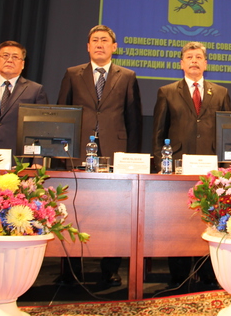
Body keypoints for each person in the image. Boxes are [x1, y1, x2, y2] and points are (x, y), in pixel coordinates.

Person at [57, 24, 143, 287]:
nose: (99, 44)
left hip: (115, 151)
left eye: (104, 40)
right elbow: (62, 114)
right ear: (88, 46)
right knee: (72, 210)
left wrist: (131, 157)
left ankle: (110, 270)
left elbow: (134, 120)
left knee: (115, 213)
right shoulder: (72, 74)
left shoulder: (127, 76)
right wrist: (62, 153)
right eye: (95, 40)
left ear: (114, 47)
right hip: (78, 152)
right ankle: (70, 270)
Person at [152, 41, 231, 288]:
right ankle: (178, 276)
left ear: (206, 64)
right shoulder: (167, 92)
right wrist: (161, 165)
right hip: (177, 167)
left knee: (211, 219)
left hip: (211, 170)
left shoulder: (221, 93)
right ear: (181, 63)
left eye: (198, 57)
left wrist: (226, 170)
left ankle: (209, 275)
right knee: (178, 222)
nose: (194, 61)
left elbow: (227, 133)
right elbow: (158, 133)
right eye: (189, 57)